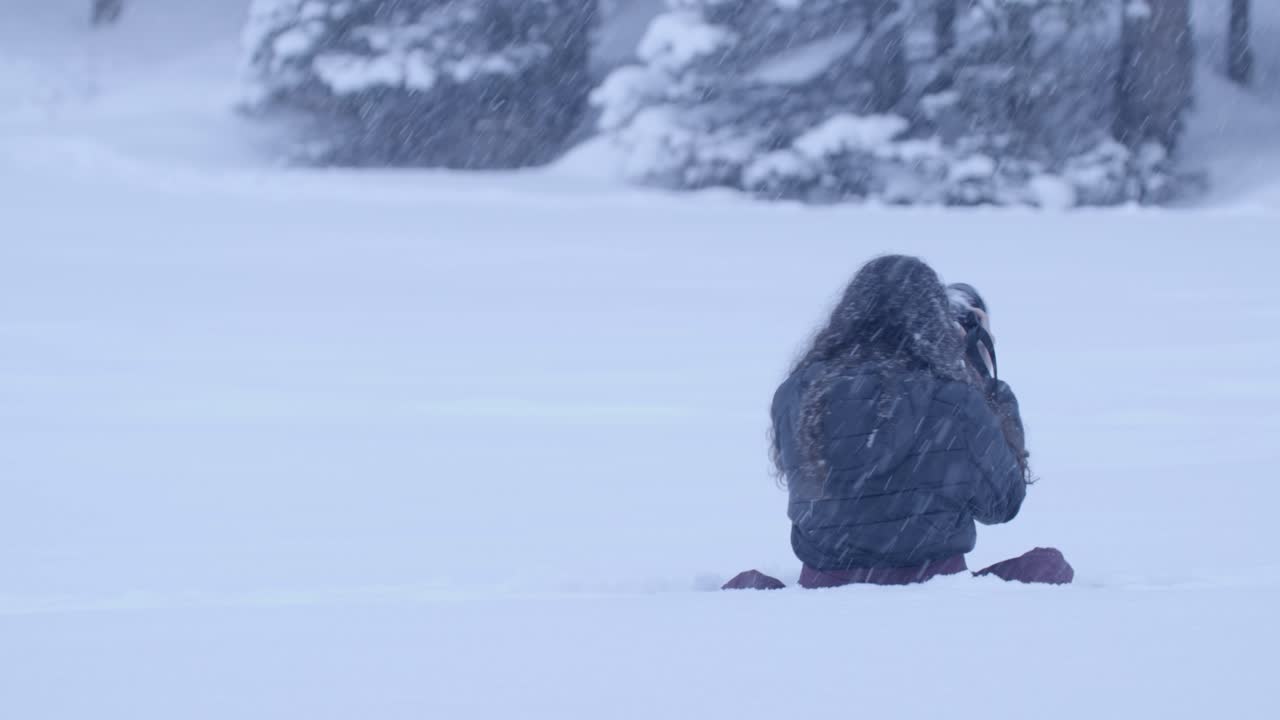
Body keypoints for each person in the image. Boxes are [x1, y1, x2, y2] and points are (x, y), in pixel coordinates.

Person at [724, 255, 1071, 590]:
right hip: (932, 586)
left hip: (823, 587)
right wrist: (984, 381)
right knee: (1048, 565)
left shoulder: (797, 394)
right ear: (933, 323)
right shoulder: (955, 401)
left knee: (750, 587)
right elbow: (1002, 503)